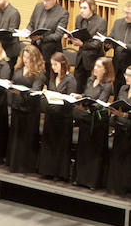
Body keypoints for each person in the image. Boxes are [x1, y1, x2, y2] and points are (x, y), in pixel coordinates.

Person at [73, 56, 114, 189]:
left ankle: (92, 181)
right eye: (95, 66)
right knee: (83, 149)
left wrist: (86, 102)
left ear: (106, 70)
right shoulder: (91, 80)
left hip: (97, 122)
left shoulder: (107, 85)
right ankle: (80, 178)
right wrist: (80, 97)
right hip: (86, 119)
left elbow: (100, 102)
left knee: (94, 152)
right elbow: (86, 95)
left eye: (98, 67)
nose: (95, 69)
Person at [6, 45, 47, 173]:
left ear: (35, 59)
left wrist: (21, 92)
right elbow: (14, 81)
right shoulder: (18, 68)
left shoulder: (39, 73)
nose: (25, 59)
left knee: (26, 138)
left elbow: (35, 90)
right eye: (24, 56)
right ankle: (13, 163)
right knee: (16, 136)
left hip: (30, 109)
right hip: (17, 107)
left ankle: (25, 166)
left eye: (28, 57)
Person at [38, 52, 76, 180]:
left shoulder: (70, 79)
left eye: (55, 64)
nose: (53, 67)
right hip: (52, 115)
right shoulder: (53, 78)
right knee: (49, 143)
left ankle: (59, 173)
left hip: (63, 118)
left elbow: (71, 101)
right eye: (52, 64)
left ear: (63, 64)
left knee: (60, 145)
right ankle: (47, 170)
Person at [70, 0, 108, 93]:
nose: (81, 10)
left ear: (92, 8)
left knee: (89, 91)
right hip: (80, 60)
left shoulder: (101, 22)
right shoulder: (79, 18)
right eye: (81, 8)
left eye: (84, 8)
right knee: (77, 89)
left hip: (93, 61)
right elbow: (77, 34)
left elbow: (97, 44)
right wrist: (71, 38)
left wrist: (82, 44)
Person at [26, 0, 69, 66]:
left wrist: (41, 37)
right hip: (35, 50)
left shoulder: (63, 13)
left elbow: (58, 35)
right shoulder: (38, 6)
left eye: (48, 0)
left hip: (50, 54)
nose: (45, 3)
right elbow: (31, 23)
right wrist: (28, 30)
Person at [106, 67, 131, 195]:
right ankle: (114, 185)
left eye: (129, 76)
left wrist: (125, 115)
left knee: (127, 160)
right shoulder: (123, 88)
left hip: (129, 129)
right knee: (117, 156)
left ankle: (125, 187)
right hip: (120, 127)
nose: (126, 77)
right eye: (126, 74)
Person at [106, 1, 131, 79]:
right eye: (125, 12)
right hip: (116, 65)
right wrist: (107, 43)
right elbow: (112, 36)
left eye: (128, 13)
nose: (125, 15)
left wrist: (125, 46)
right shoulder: (118, 22)